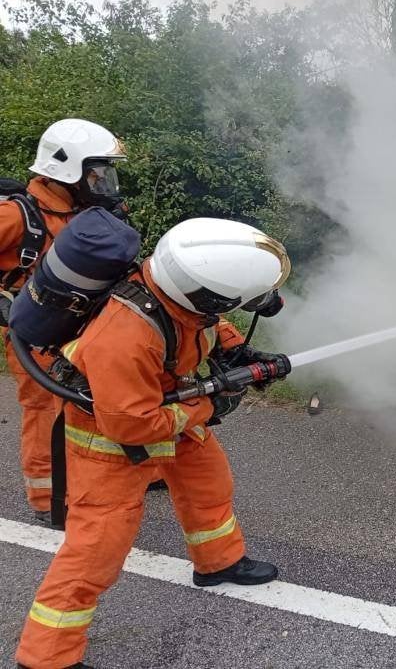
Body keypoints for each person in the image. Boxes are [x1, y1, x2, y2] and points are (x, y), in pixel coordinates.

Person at [14, 217, 290, 669]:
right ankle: (46, 657)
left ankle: (218, 562)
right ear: (206, 293)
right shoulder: (124, 336)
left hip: (164, 403)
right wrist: (207, 409)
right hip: (110, 439)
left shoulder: (177, 293)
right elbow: (131, 425)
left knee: (208, 485)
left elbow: (199, 325)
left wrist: (238, 351)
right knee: (96, 550)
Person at [0, 119, 128, 522]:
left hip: (86, 325)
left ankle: (126, 463)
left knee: (107, 395)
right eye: (97, 172)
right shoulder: (17, 216)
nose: (103, 181)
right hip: (36, 331)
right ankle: (48, 495)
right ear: (67, 170)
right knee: (45, 406)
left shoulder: (84, 212)